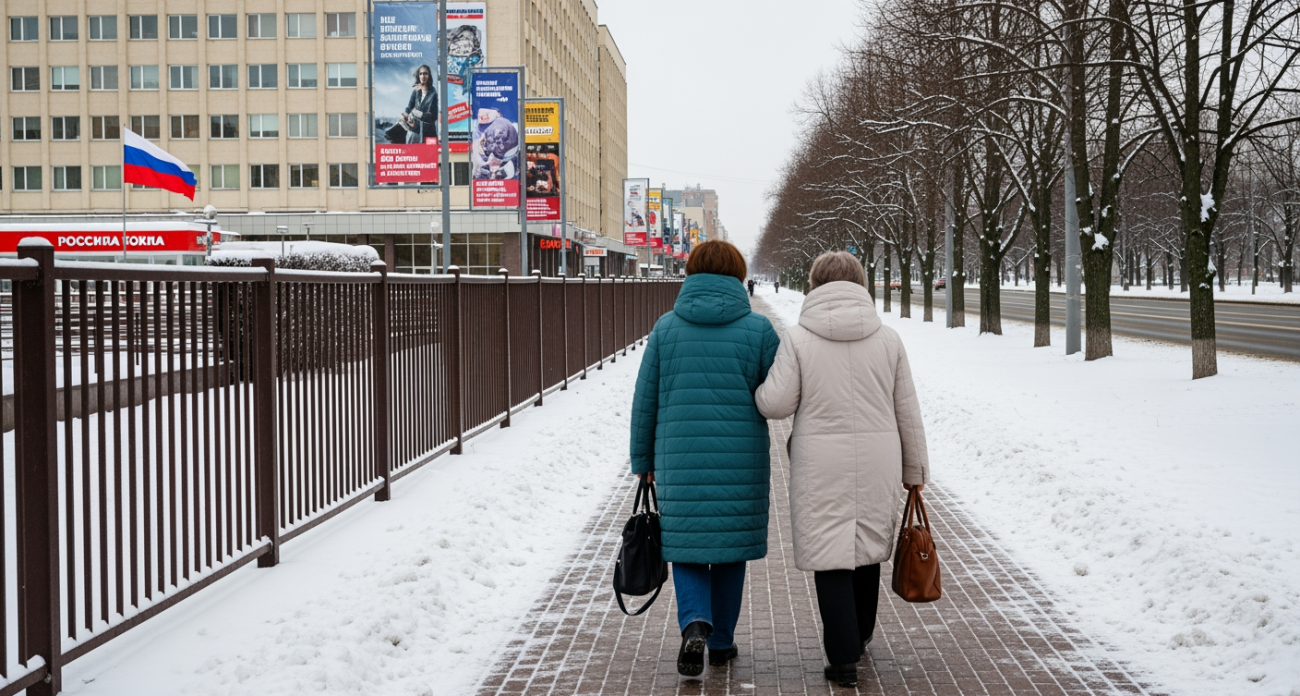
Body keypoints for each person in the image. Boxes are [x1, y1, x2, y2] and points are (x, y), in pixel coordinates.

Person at [754, 251, 930, 688]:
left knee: (830, 553)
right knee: (868, 544)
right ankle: (861, 635)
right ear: (861, 284)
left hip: (820, 463)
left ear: (814, 285)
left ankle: (842, 657)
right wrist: (916, 470)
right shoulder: (887, 339)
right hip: (878, 459)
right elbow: (906, 409)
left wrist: (758, 392)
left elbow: (776, 404)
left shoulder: (797, 339)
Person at [629, 240, 780, 677]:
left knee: (688, 547)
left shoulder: (666, 328)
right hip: (742, 459)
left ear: (691, 274)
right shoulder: (759, 331)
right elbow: (778, 394)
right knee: (731, 550)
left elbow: (646, 400)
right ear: (737, 276)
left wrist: (642, 459)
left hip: (678, 456)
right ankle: (723, 641)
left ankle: (695, 620)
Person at [402, 65, 438, 144]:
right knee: (413, 154)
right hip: (416, 131)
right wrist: (405, 114)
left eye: (425, 74)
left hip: (429, 132)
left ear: (429, 76)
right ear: (418, 76)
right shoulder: (416, 92)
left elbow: (433, 116)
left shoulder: (434, 94)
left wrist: (419, 114)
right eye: (421, 74)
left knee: (429, 154)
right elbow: (409, 107)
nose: (423, 76)